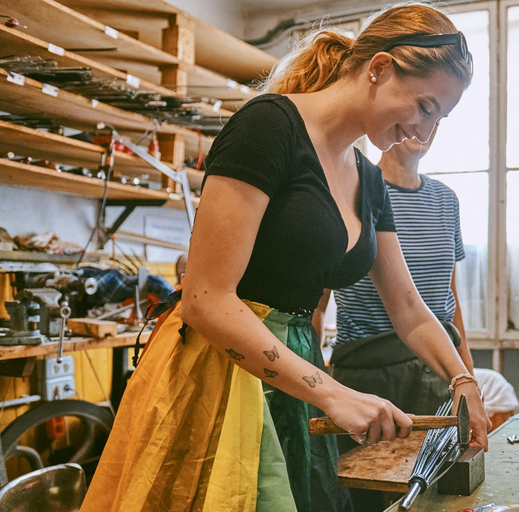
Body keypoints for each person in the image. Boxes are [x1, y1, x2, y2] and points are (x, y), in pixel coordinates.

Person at [81, 4, 491, 512]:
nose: (422, 131)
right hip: (219, 367)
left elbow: (408, 308)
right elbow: (207, 300)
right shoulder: (269, 128)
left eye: (439, 118)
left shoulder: (368, 180)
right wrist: (334, 394)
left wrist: (463, 379)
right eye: (425, 106)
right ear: (379, 68)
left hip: (297, 370)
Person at [314, 129, 475, 417]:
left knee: (441, 463)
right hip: (368, 376)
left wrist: (468, 377)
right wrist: (314, 388)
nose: (425, 126)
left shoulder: (446, 200)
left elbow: (449, 297)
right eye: (420, 109)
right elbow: (316, 304)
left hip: (438, 373)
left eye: (436, 118)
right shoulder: (351, 188)